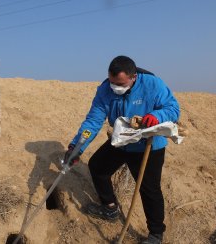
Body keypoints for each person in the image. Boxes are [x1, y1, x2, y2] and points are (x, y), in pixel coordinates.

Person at [64, 56, 180, 244]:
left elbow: (173, 109)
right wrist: (76, 147)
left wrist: (156, 116)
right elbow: (93, 121)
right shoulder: (105, 89)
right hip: (121, 140)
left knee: (149, 189)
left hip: (148, 146)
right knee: (97, 167)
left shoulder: (152, 84)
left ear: (133, 77)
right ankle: (110, 208)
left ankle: (156, 234)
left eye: (120, 83)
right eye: (112, 82)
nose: (115, 87)